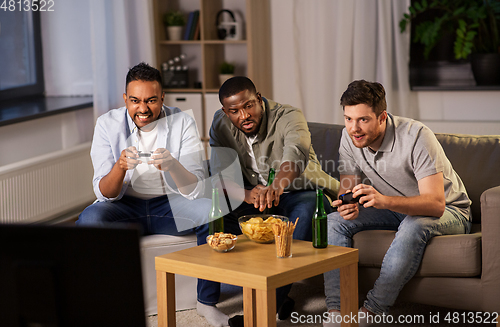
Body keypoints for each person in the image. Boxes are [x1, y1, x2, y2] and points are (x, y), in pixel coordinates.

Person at [76, 62, 226, 327]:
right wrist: (119, 168)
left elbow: (195, 187)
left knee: (212, 212)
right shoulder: (107, 124)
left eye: (151, 101)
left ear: (162, 98)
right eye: (135, 101)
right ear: (125, 99)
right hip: (124, 205)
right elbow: (103, 192)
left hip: (170, 204)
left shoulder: (181, 121)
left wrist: (172, 166)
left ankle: (206, 303)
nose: (143, 109)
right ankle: (102, 301)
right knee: (89, 221)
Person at [322, 80, 471, 327]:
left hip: (451, 211)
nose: (354, 128)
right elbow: (347, 188)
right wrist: (346, 204)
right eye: (348, 119)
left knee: (414, 224)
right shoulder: (348, 137)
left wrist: (384, 200)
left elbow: (435, 204)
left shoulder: (416, 137)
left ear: (382, 117)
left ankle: (373, 311)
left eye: (363, 120)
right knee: (334, 221)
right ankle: (338, 310)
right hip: (395, 209)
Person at [208, 76, 340, 326]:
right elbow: (220, 174)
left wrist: (276, 186)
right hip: (256, 196)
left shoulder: (289, 116)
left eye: (248, 106)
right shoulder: (220, 123)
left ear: (259, 99)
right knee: (212, 211)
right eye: (234, 111)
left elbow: (296, 153)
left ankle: (265, 309)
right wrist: (248, 194)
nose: (244, 115)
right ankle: (207, 302)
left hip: (302, 192)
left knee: (302, 215)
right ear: (226, 112)